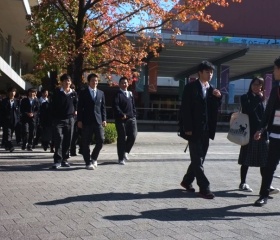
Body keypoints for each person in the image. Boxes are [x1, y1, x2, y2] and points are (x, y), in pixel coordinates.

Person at [179, 60, 222, 199]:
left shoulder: (212, 89)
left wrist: (218, 98)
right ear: (200, 72)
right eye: (207, 72)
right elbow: (185, 109)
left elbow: (213, 109)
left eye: (211, 72)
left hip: (206, 129)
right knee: (198, 160)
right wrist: (187, 128)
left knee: (200, 159)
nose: (210, 74)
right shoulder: (190, 88)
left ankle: (186, 181)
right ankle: (204, 188)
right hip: (193, 129)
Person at [237, 77, 280, 194]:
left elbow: (266, 115)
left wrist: (265, 128)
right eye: (254, 84)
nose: (256, 87)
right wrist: (258, 99)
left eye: (259, 85)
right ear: (251, 85)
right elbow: (248, 110)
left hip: (262, 132)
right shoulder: (245, 97)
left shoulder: (263, 99)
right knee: (246, 158)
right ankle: (243, 182)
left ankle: (266, 185)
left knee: (265, 159)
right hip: (248, 132)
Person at [254, 56, 280, 206]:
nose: (274, 71)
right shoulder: (276, 90)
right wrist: (261, 129)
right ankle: (263, 194)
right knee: (269, 166)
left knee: (269, 166)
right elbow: (268, 112)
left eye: (276, 68)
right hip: (276, 135)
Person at [77, 73, 107, 170]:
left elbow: (103, 108)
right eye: (93, 80)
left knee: (101, 140)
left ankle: (94, 157)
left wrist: (104, 119)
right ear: (89, 82)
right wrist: (79, 120)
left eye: (96, 80)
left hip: (98, 121)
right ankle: (87, 162)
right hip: (87, 121)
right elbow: (80, 108)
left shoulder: (101, 93)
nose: (95, 82)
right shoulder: (83, 92)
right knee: (86, 142)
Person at [51, 74, 78, 169]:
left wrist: (76, 111)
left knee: (68, 140)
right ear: (61, 82)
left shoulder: (74, 93)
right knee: (58, 139)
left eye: (69, 81)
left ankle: (64, 160)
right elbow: (52, 106)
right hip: (58, 119)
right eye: (65, 81)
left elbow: (76, 104)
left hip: (70, 119)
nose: (67, 83)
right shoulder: (57, 92)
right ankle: (57, 160)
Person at [112, 76, 137, 165]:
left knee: (133, 136)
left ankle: (126, 151)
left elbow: (133, 105)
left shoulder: (130, 94)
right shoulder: (117, 94)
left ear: (128, 84)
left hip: (131, 118)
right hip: (121, 120)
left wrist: (134, 114)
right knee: (122, 138)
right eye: (122, 83)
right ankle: (121, 158)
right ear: (119, 84)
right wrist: (122, 114)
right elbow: (115, 106)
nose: (124, 84)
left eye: (125, 82)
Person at [0, 87, 20, 152]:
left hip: (14, 120)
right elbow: (2, 111)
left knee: (10, 134)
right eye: (11, 91)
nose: (12, 93)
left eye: (14, 91)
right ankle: (11, 146)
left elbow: (18, 111)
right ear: (8, 93)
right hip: (6, 120)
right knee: (8, 133)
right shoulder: (4, 101)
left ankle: (6, 145)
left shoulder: (17, 101)